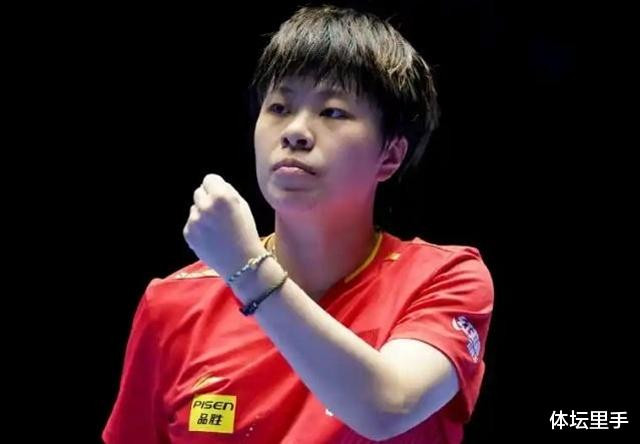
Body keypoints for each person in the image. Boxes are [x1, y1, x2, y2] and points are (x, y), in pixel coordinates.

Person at [103, 4, 493, 443]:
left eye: (333, 112)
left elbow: (388, 407)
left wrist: (246, 268)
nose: (295, 132)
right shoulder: (172, 305)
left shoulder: (443, 279)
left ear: (390, 155)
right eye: (279, 107)